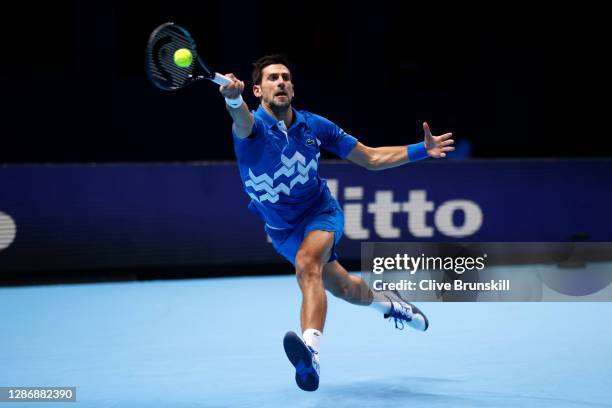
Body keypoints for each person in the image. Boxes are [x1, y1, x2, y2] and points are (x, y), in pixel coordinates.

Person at [219, 55, 455, 392]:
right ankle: (391, 304)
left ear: (293, 87)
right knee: (343, 288)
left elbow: (370, 158)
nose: (281, 82)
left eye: (286, 77)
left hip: (319, 212)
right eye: (272, 78)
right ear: (257, 90)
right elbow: (239, 118)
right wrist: (231, 97)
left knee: (307, 264)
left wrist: (421, 149)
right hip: (281, 229)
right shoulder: (251, 128)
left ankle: (310, 355)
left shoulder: (314, 126)